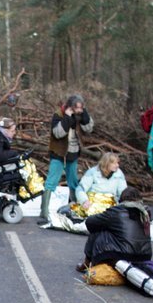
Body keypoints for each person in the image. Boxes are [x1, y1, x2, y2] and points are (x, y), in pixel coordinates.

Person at [40, 94, 94, 223]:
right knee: (51, 181)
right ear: (71, 106)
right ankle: (44, 211)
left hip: (73, 153)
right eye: (77, 108)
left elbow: (89, 128)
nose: (79, 110)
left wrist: (84, 115)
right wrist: (68, 118)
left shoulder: (81, 114)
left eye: (81, 107)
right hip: (58, 153)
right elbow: (58, 133)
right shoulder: (59, 114)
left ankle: (75, 208)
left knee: (73, 181)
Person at [76, 187, 152, 271]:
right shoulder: (145, 212)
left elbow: (90, 222)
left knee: (97, 229)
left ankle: (87, 263)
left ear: (122, 199)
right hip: (145, 255)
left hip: (121, 254)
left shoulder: (116, 211)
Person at [74, 152, 128, 217]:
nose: (117, 165)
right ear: (107, 163)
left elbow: (123, 192)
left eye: (117, 163)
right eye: (114, 163)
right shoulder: (93, 172)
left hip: (110, 202)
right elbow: (80, 189)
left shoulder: (119, 174)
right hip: (93, 200)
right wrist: (84, 201)